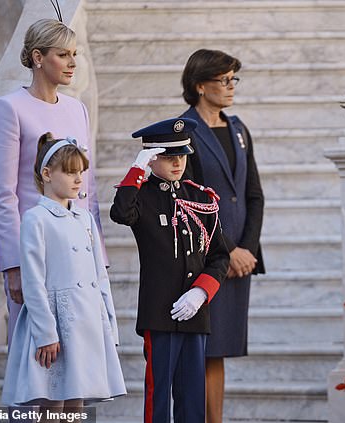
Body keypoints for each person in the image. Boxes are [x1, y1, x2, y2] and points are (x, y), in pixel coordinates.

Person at [0, 18, 105, 347]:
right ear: (38, 58)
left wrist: (99, 256)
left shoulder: (77, 109)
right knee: (37, 369)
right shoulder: (7, 109)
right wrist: (13, 266)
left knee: (80, 365)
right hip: (36, 254)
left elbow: (88, 192)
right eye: (63, 54)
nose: (72, 63)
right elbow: (3, 195)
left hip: (78, 255)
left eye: (74, 54)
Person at [110, 117, 230, 423]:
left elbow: (219, 257)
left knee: (193, 399)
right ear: (152, 157)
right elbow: (121, 213)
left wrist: (201, 293)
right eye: (167, 156)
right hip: (159, 313)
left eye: (181, 155)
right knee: (158, 395)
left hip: (194, 313)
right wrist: (138, 170)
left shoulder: (201, 197)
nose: (177, 163)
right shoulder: (142, 196)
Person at [1, 133, 125, 417]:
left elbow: (99, 277)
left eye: (80, 172)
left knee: (76, 402)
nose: (78, 179)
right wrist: (45, 332)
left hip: (87, 320)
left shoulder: (85, 218)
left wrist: (109, 325)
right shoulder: (36, 219)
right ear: (47, 174)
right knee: (53, 402)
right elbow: (33, 281)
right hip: (56, 321)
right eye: (69, 172)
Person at [180, 49, 265, 423]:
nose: (231, 87)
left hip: (239, 259)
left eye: (234, 80)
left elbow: (253, 194)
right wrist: (227, 252)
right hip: (203, 258)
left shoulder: (239, 129)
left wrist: (247, 248)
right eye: (224, 80)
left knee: (219, 349)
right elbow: (188, 200)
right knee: (199, 348)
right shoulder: (183, 131)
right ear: (200, 85)